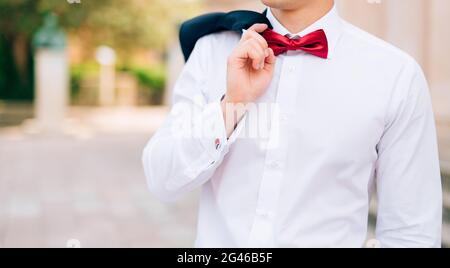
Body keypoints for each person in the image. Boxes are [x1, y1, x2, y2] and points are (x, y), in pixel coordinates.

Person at [142, 0, 442, 248]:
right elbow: (162, 179)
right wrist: (231, 106)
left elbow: (411, 233)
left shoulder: (395, 75)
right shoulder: (211, 50)